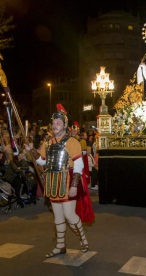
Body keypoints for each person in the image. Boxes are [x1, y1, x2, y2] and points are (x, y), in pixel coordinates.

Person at [25, 104, 94, 257]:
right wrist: (31, 151)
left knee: (69, 215)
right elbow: (42, 161)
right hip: (52, 180)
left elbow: (78, 165)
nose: (55, 125)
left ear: (64, 125)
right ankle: (60, 246)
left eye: (58, 123)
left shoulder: (72, 142)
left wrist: (74, 185)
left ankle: (83, 239)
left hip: (68, 179)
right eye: (54, 123)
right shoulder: (47, 143)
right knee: (57, 216)